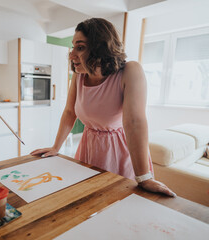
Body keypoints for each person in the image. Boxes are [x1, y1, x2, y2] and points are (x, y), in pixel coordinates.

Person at [31, 18, 176, 197]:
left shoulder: (130, 71)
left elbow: (134, 122)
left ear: (100, 47)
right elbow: (70, 112)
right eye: (73, 47)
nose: (71, 54)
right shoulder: (79, 75)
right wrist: (56, 147)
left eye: (80, 47)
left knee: (118, 202)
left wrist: (144, 177)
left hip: (120, 150)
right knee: (87, 199)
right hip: (89, 146)